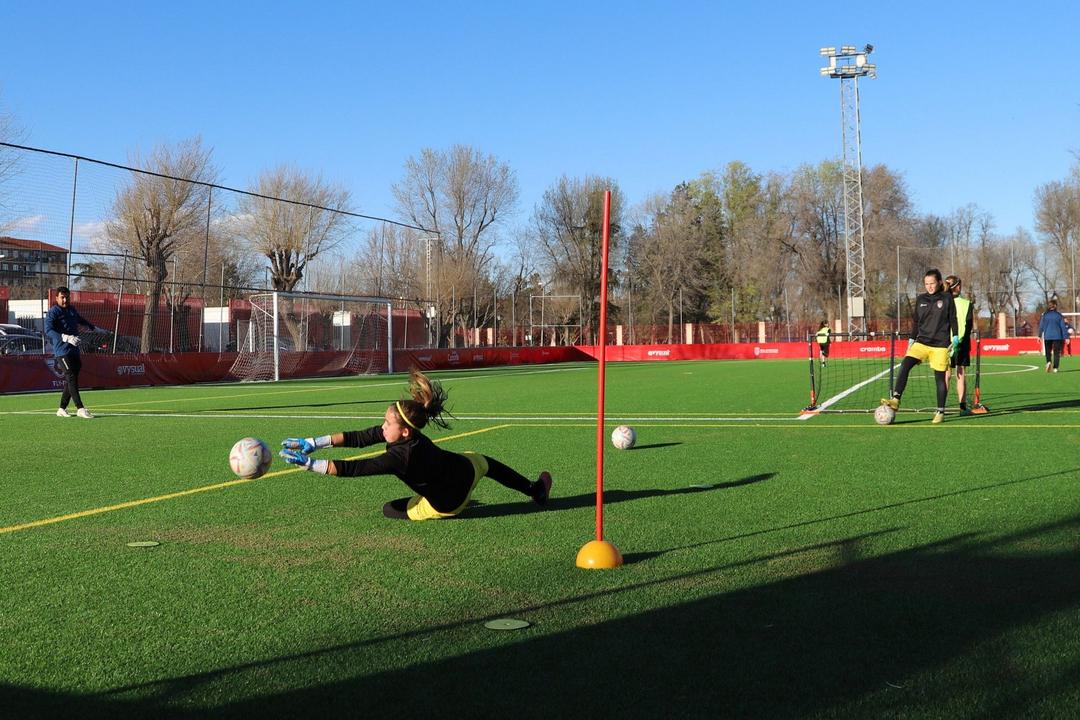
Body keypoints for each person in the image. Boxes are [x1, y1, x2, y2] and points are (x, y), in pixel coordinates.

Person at [279, 369, 552, 520]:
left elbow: (355, 469)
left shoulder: (398, 458)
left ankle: (463, 502)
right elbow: (359, 437)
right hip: (467, 470)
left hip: (449, 505)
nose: (382, 427)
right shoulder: (410, 434)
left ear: (405, 431)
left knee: (389, 509)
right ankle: (535, 489)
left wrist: (310, 464)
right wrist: (314, 442)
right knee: (485, 462)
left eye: (387, 423)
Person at [881, 268, 957, 424]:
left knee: (940, 378)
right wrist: (911, 339)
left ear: (939, 282)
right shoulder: (921, 299)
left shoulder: (947, 298)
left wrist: (955, 337)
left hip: (940, 345)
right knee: (905, 364)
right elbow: (916, 322)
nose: (929, 286)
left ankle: (940, 411)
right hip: (921, 342)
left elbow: (953, 319)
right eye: (926, 284)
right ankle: (896, 399)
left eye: (932, 283)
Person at [44, 286, 100, 419]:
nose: (65, 300)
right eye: (62, 297)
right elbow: (48, 330)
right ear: (57, 298)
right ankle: (80, 408)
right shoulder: (53, 312)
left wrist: (93, 327)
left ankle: (61, 409)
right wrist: (65, 337)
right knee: (70, 377)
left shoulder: (72, 309)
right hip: (62, 351)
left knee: (72, 379)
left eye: (67, 297)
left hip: (74, 350)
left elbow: (79, 319)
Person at [944, 275, 974, 415]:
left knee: (946, 375)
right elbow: (969, 326)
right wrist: (961, 341)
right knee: (960, 374)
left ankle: (941, 407)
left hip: (945, 343)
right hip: (961, 343)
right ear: (959, 287)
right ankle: (962, 407)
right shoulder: (967, 304)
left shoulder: (943, 302)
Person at [1038, 299, 1069, 373]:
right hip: (1057, 336)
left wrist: (1039, 336)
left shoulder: (1045, 315)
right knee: (1056, 352)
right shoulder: (1059, 315)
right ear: (1055, 306)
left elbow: (1041, 326)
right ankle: (1055, 368)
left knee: (1048, 351)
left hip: (1047, 336)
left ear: (1049, 306)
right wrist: (1066, 337)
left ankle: (1048, 362)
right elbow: (1063, 327)